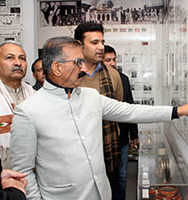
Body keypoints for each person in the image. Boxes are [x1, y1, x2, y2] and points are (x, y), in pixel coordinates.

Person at [10, 36, 188, 200]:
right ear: (57, 68)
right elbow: (22, 171)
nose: (84, 69)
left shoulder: (90, 96)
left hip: (101, 193)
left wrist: (176, 111)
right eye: (77, 62)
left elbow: (130, 111)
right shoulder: (28, 111)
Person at [74, 22, 124, 194]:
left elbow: (119, 110)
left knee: (109, 189)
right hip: (76, 152)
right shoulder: (68, 74)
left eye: (102, 42)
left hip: (108, 149)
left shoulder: (113, 75)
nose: (101, 47)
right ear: (80, 45)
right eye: (94, 43)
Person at [103, 45, 138, 200]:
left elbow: (130, 106)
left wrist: (134, 134)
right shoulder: (90, 80)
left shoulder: (123, 79)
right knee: (105, 177)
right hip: (102, 139)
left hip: (122, 137)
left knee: (122, 176)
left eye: (113, 59)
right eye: (107, 60)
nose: (112, 63)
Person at [0, 41, 35, 169]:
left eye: (22, 58)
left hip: (32, 171)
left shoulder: (35, 95)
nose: (18, 63)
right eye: (10, 58)